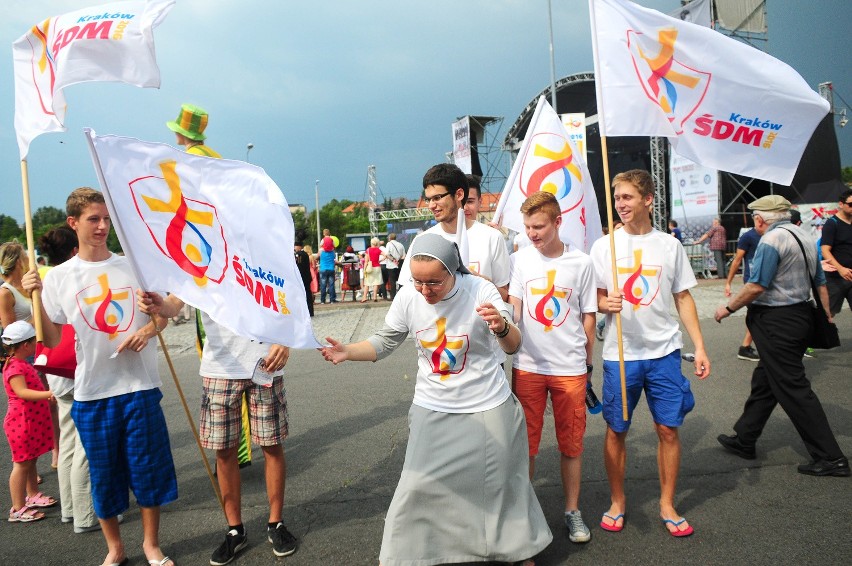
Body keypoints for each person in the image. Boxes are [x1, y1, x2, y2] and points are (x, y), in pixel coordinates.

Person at [320, 234, 551, 565]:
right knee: (416, 486)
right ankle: (412, 554)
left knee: (501, 484)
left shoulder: (480, 292)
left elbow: (512, 344)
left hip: (487, 403)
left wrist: (500, 326)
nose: (425, 290)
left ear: (453, 272)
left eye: (434, 283)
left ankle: (517, 549)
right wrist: (348, 351)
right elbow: (385, 341)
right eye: (418, 281)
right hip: (433, 405)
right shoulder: (408, 299)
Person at [23, 188, 178, 566]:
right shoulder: (59, 277)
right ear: (73, 223)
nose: (103, 226)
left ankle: (151, 546)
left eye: (106, 219)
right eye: (94, 219)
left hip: (139, 386)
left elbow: (173, 305)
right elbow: (55, 338)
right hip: (91, 390)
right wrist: (35, 300)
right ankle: (114, 549)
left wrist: (152, 324)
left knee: (148, 472)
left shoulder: (133, 265)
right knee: (104, 477)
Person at [590, 169, 710, 537]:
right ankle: (617, 500)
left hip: (664, 353)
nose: (620, 205)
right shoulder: (603, 246)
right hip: (620, 353)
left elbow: (683, 297)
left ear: (647, 200)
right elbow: (591, 296)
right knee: (616, 429)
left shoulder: (669, 246)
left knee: (668, 430)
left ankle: (667, 503)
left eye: (626, 197)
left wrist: (700, 346)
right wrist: (602, 302)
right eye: (616, 198)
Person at [137, 291, 297, 564]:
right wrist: (159, 304)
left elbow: (289, 294)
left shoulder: (264, 248)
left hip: (266, 361)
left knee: (271, 444)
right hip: (220, 368)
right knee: (224, 451)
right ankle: (235, 529)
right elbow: (175, 303)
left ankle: (276, 523)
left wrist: (286, 338)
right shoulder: (202, 254)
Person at [714, 195, 849, 477]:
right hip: (800, 317)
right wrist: (826, 315)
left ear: (760, 220)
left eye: (755, 219)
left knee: (793, 388)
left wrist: (727, 308)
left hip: (776, 322)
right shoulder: (804, 235)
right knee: (766, 379)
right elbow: (821, 282)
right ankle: (745, 438)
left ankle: (830, 457)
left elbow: (756, 286)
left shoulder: (771, 241)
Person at [508, 192, 597, 544]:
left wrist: (587, 363)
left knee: (571, 444)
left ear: (558, 222)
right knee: (525, 445)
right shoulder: (520, 261)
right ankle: (525, 513)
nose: (532, 233)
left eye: (539, 226)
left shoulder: (582, 263)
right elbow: (513, 310)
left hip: (570, 369)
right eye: (528, 226)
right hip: (528, 365)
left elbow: (589, 316)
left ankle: (572, 511)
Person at [34, 226, 103, 533]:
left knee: (68, 441)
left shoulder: (46, 277)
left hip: (56, 371)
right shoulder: (68, 276)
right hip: (75, 370)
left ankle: (70, 509)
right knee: (86, 445)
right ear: (74, 249)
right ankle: (86, 515)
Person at [399, 165, 510, 301]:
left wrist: (479, 282)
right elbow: (406, 294)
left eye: (437, 197)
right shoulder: (422, 241)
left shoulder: (492, 237)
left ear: (459, 195)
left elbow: (504, 295)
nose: (431, 205)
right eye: (429, 199)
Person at [3, 321, 56, 523]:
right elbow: (22, 392)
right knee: (21, 464)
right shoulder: (15, 367)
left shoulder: (21, 363)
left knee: (31, 459)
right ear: (25, 345)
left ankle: (32, 494)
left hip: (30, 421)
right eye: (35, 341)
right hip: (21, 422)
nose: (37, 344)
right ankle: (17, 507)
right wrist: (48, 393)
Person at [724, 224, 762, 362]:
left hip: (767, 281)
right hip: (752, 282)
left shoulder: (773, 234)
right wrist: (728, 283)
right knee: (757, 315)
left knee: (759, 315)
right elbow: (737, 260)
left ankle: (746, 347)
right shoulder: (748, 237)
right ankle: (745, 347)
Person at [820, 188, 852, 316]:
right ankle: (825, 335)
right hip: (835, 278)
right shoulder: (832, 224)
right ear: (841, 204)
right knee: (828, 313)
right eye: (850, 204)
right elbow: (825, 250)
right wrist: (840, 268)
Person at [0, 241, 33, 329]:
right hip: (28, 342)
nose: (29, 258)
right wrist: (39, 318)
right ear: (19, 262)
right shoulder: (5, 293)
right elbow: (11, 332)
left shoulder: (27, 285)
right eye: (25, 255)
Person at [294, 241, 314, 316]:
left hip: (302, 278)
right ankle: (310, 311)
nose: (294, 248)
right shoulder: (304, 254)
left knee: (304, 295)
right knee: (308, 294)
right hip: (306, 277)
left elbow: (299, 267)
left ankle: (305, 311)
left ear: (299, 246)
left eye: (295, 246)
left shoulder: (300, 254)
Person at [361, 238, 384, 303]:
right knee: (376, 283)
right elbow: (385, 255)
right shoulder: (378, 250)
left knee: (367, 283)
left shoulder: (368, 250)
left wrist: (364, 269)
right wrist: (381, 260)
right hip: (377, 267)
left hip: (370, 268)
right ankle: (375, 297)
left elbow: (366, 261)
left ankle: (364, 297)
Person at [383, 233, 405, 299]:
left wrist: (393, 260)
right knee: (401, 281)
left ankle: (393, 296)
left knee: (392, 281)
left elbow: (386, 254)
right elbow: (404, 255)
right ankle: (401, 295)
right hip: (400, 265)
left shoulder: (389, 244)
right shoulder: (401, 244)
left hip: (391, 266)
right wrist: (398, 260)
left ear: (389, 238)